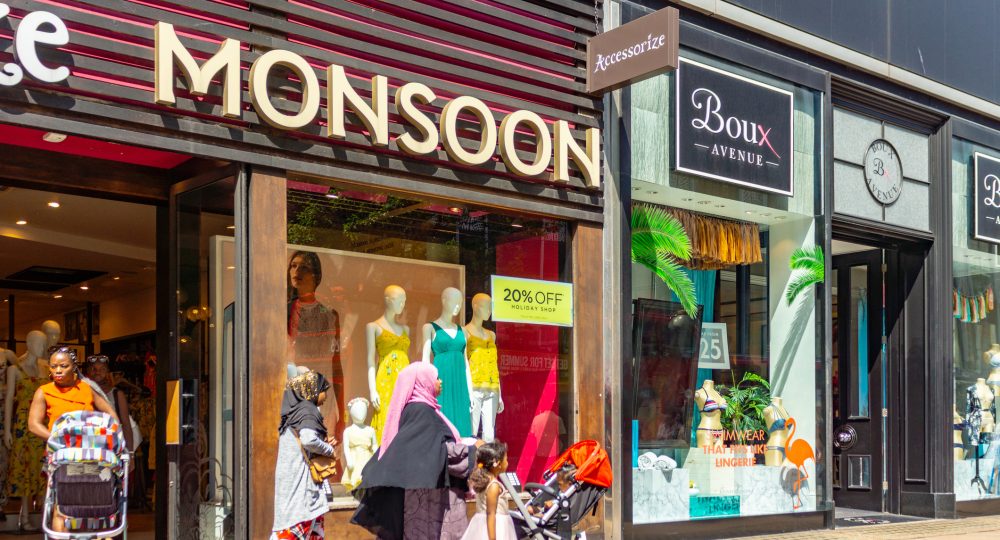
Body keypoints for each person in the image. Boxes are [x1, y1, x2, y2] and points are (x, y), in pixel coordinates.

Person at [351, 362, 482, 540]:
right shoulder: (422, 412)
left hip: (423, 498)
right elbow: (437, 451)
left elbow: (428, 447)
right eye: (436, 378)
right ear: (424, 382)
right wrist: (472, 450)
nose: (440, 381)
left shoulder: (421, 410)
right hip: (429, 503)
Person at [26, 347, 118, 533]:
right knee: (61, 503)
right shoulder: (43, 391)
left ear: (74, 367)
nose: (58, 370)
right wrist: (56, 438)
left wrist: (108, 436)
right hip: (61, 454)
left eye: (63, 366)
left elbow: (111, 415)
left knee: (92, 500)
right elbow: (33, 424)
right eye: (53, 366)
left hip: (91, 455)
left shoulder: (87, 388)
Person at [271, 370, 338, 540]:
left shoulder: (293, 413)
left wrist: (322, 443)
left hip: (293, 481)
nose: (326, 396)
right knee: (294, 528)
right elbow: (308, 439)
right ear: (312, 389)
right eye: (323, 390)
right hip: (301, 488)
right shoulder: (307, 410)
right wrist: (329, 450)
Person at [287, 251, 343, 438]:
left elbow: (336, 365)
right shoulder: (283, 311)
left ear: (316, 275)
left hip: (322, 396)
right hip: (291, 393)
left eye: (304, 267)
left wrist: (342, 414)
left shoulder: (329, 314)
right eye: (293, 266)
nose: (297, 271)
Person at [462, 441, 516, 540]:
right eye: (506, 460)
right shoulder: (494, 485)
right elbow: (491, 513)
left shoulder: (484, 481)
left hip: (480, 525)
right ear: (498, 464)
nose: (507, 463)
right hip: (495, 527)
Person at [83, 355, 136, 452]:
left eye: (102, 369)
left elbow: (126, 425)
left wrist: (130, 453)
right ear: (88, 371)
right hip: (86, 448)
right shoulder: (80, 393)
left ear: (108, 372)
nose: (97, 372)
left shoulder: (117, 394)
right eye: (93, 368)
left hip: (111, 450)